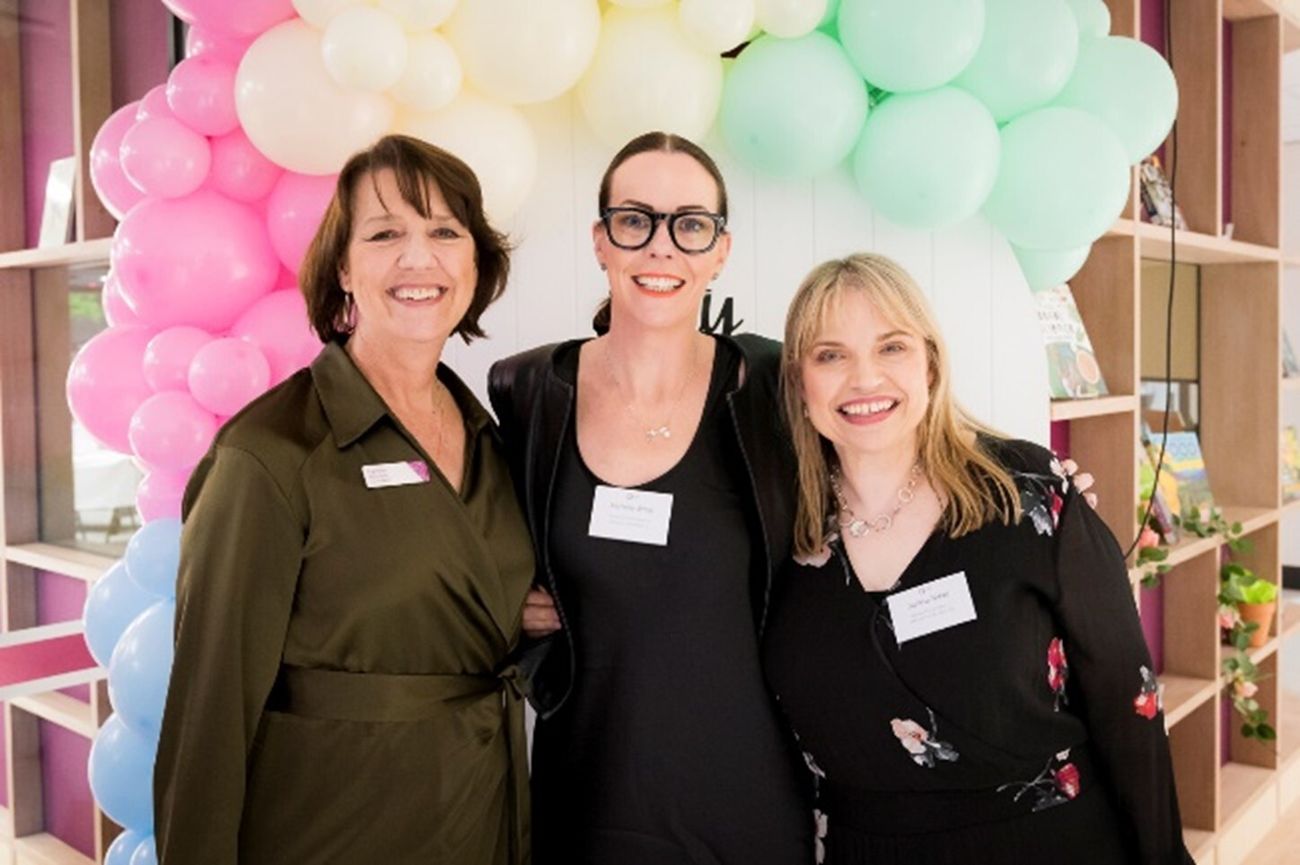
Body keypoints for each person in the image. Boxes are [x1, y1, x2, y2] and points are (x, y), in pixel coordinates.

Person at [154, 135, 535, 865]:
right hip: (334, 829)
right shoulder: (268, 455)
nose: (419, 259)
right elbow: (208, 716)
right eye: (386, 234)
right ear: (343, 268)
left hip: (480, 814)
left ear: (476, 263)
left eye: (445, 232)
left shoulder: (491, 436)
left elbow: (437, 595)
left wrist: (521, 610)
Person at [763, 253, 1193, 865]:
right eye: (830, 355)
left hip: (1050, 846)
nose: (864, 378)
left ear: (930, 364)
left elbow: (1128, 701)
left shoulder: (1026, 492)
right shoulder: (778, 526)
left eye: (891, 348)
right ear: (798, 382)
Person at [489, 132, 810, 864]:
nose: (661, 246)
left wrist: (1031, 483)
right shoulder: (528, 391)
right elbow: (462, 543)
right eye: (635, 220)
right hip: (586, 792)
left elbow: (893, 448)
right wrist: (502, 600)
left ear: (720, 251)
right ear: (601, 241)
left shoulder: (772, 385)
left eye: (690, 224)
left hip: (746, 797)